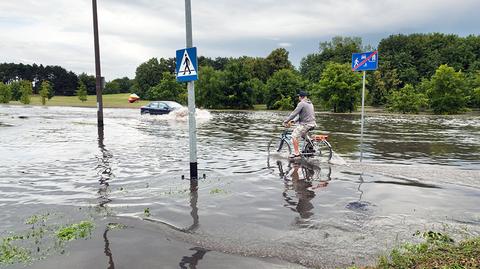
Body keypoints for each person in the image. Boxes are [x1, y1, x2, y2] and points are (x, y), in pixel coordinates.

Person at [283, 91, 316, 159]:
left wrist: (286, 121)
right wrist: (294, 121)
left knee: (294, 136)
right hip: (312, 124)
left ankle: (296, 153)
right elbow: (301, 115)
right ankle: (310, 145)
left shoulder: (301, 103)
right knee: (303, 135)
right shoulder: (310, 103)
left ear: (301, 97)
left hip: (306, 124)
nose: (298, 97)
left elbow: (294, 113)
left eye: (299, 96)